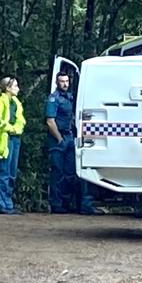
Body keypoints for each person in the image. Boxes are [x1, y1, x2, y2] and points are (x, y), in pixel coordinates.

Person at [45, 71, 99, 215]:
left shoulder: (70, 97)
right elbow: (50, 121)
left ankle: (66, 203)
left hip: (69, 137)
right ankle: (56, 205)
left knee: (70, 173)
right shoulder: (53, 99)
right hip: (58, 138)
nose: (65, 84)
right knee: (57, 172)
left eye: (67, 81)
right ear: (57, 82)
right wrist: (59, 139)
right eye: (62, 81)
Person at [0, 76, 26, 215]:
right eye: (15, 86)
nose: (18, 88)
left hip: (15, 138)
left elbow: (21, 120)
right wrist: (8, 127)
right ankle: (0, 203)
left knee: (11, 173)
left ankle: (8, 204)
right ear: (8, 88)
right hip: (4, 140)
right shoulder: (1, 102)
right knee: (3, 172)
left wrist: (17, 128)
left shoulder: (16, 103)